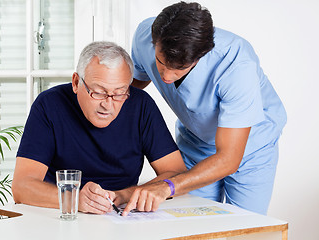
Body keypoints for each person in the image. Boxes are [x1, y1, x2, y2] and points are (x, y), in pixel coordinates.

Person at [123, 1, 287, 216]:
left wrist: (168, 186)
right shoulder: (145, 35)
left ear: (200, 55)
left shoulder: (236, 64)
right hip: (196, 142)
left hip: (250, 148)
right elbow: (129, 89)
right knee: (192, 222)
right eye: (161, 63)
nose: (166, 77)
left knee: (245, 226)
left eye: (180, 69)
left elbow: (229, 158)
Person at [11, 41, 187, 214]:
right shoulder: (49, 105)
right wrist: (75, 198)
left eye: (119, 93)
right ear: (76, 82)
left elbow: (177, 175)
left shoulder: (141, 105)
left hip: (121, 214)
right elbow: (22, 187)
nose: (108, 105)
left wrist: (125, 194)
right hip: (61, 212)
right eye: (99, 92)